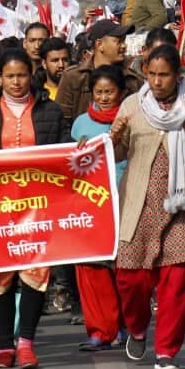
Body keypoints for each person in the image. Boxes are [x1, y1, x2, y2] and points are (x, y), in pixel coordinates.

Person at [0, 48, 65, 369]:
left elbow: (63, 149)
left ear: (30, 74)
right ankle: (6, 346)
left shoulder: (50, 110)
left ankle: (27, 343)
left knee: (35, 275)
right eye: (9, 76)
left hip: (38, 206)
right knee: (1, 276)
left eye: (21, 75)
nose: (16, 82)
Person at [111, 45, 185, 369]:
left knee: (178, 280)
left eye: (164, 74)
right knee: (131, 280)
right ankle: (137, 327)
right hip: (139, 206)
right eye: (151, 74)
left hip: (181, 207)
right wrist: (113, 139)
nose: (157, 81)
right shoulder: (131, 105)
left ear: (178, 75)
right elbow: (116, 153)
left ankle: (166, 350)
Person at [71, 64, 129, 351]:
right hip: (90, 203)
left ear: (121, 93)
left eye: (110, 92)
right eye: (99, 92)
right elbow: (67, 164)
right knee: (91, 268)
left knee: (124, 269)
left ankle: (125, 326)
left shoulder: (133, 117)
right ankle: (99, 329)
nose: (104, 98)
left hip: (126, 199)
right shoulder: (80, 123)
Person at [55, 19, 140, 129]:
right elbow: (61, 122)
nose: (124, 46)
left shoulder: (133, 80)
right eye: (118, 41)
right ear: (100, 44)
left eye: (124, 41)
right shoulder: (73, 77)